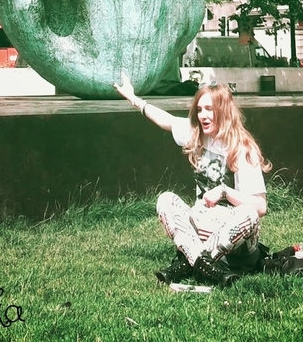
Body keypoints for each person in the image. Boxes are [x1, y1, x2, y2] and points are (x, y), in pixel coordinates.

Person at [113, 72, 271, 287]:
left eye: (209, 110)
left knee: (248, 213)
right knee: (166, 199)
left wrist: (225, 192)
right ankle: (206, 265)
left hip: (235, 240)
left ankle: (189, 263)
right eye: (199, 109)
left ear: (223, 112)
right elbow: (165, 121)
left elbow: (261, 207)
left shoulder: (243, 149)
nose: (203, 115)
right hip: (203, 225)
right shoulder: (197, 133)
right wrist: (133, 97)